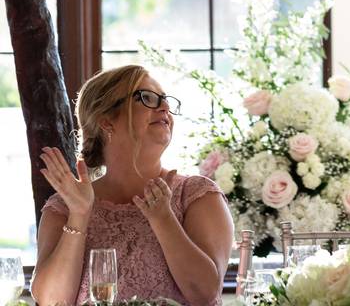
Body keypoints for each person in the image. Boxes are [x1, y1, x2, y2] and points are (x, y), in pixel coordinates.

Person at [31, 66, 234, 306]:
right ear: (106, 121)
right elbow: (52, 302)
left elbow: (205, 295)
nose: (165, 108)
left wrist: (163, 219)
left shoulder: (198, 196)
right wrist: (79, 214)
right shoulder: (64, 208)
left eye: (165, 100)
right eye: (147, 98)